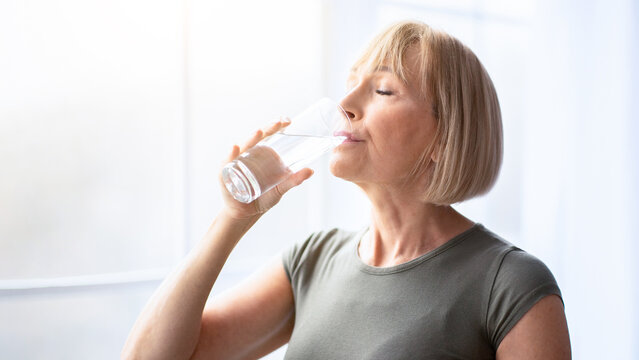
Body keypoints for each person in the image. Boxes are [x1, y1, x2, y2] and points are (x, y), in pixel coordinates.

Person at [122, 20, 571, 359]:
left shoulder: (511, 284)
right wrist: (231, 219)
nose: (345, 106)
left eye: (382, 89)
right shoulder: (312, 261)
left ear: (444, 138)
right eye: (351, 84)